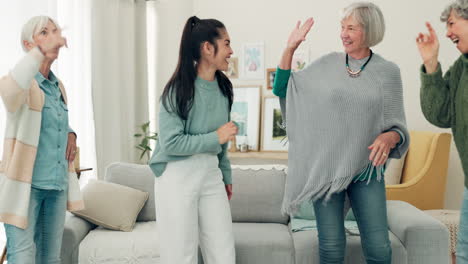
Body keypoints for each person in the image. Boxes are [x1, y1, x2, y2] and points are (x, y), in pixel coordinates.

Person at [273, 2, 409, 263]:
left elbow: (397, 128)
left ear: (369, 31)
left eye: (351, 28)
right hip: (326, 172)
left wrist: (389, 136)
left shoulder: (388, 72)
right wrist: (290, 48)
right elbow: (283, 89)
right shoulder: (326, 66)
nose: (343, 34)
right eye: (342, 27)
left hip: (367, 170)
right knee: (331, 248)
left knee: (379, 248)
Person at [148, 16, 237, 264]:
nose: (231, 51)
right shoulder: (177, 90)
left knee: (223, 252)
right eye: (227, 43)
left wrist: (225, 175)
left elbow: (223, 142)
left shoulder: (224, 88)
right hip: (176, 174)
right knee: (180, 255)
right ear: (207, 48)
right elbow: (171, 144)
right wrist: (215, 137)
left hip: (210, 173)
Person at [0, 16, 84, 263]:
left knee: (50, 259)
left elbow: (51, 122)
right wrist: (39, 53)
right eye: (44, 33)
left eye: (55, 31)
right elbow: (8, 90)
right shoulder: (22, 85)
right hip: (26, 188)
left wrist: (71, 132)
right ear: (28, 45)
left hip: (56, 186)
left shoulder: (58, 87)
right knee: (23, 257)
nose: (53, 37)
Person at [416, 0, 468, 262]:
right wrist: (431, 64)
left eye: (451, 23)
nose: (447, 32)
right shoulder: (462, 67)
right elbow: (441, 114)